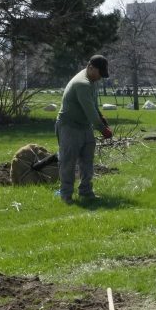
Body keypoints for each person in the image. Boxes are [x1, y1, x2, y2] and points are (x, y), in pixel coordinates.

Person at [56, 55, 114, 204]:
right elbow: (89, 111)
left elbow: (93, 105)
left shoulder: (93, 81)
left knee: (87, 160)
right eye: (99, 73)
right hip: (69, 126)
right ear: (91, 67)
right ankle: (66, 195)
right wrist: (103, 129)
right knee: (68, 162)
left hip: (84, 126)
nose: (100, 77)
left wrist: (102, 119)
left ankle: (86, 192)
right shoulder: (82, 83)